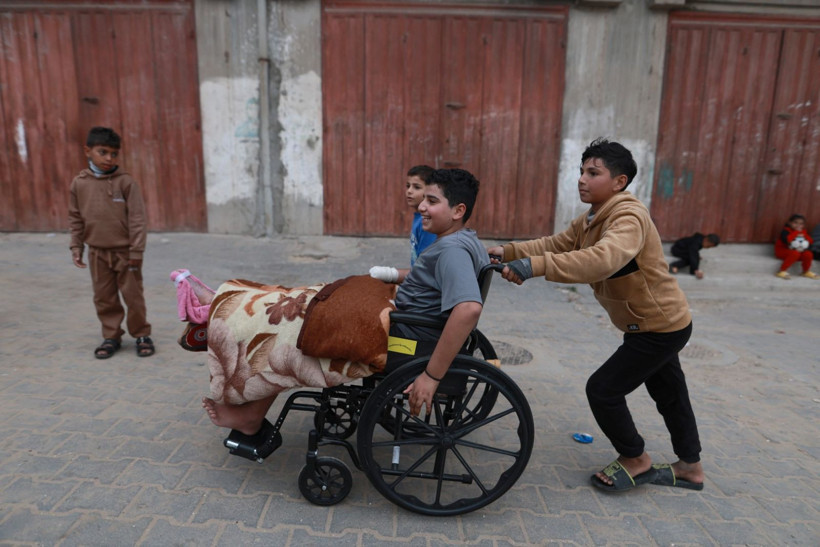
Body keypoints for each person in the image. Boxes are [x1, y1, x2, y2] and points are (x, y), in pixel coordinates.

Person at [487, 138, 704, 493]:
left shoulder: (628, 217)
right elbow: (556, 244)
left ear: (619, 182)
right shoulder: (592, 216)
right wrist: (510, 250)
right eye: (582, 171)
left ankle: (636, 459)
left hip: (659, 326)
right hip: (651, 323)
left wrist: (534, 267)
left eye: (593, 173)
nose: (582, 179)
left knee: (603, 390)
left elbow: (602, 259)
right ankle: (690, 468)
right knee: (670, 394)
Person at [203, 168, 487, 434]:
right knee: (302, 302)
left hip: (403, 337)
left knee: (292, 331)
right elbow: (434, 279)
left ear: (458, 211)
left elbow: (468, 309)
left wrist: (431, 376)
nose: (422, 207)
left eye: (432, 201)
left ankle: (249, 412)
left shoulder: (453, 252)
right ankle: (230, 302)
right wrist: (392, 275)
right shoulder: (465, 240)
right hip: (398, 316)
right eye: (424, 199)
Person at [69, 127, 155, 359]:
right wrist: (76, 246)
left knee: (133, 296)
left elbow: (138, 219)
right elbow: (75, 217)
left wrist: (136, 250)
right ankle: (111, 336)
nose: (109, 158)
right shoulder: (79, 183)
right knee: (104, 297)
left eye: (114, 153)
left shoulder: (125, 182)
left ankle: (141, 334)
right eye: (103, 152)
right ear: (88, 150)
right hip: (96, 252)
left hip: (126, 252)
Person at [368, 164, 437, 284]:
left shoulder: (427, 223)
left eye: (416, 187)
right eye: (408, 186)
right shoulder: (418, 217)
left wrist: (391, 274)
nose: (409, 191)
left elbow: (426, 270)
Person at [774, 214, 818, 279]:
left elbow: (810, 242)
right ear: (789, 223)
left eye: (801, 224)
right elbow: (786, 240)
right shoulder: (785, 231)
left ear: (803, 225)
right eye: (795, 223)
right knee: (795, 253)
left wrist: (804, 237)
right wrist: (796, 232)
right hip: (782, 252)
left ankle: (805, 271)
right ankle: (782, 271)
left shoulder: (803, 232)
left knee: (808, 254)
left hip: (797, 253)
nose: (798, 225)